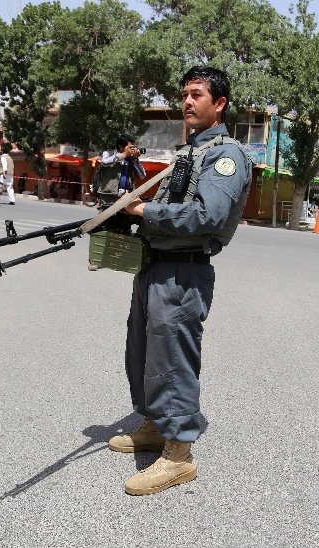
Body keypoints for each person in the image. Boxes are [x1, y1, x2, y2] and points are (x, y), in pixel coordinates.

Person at [109, 66, 252, 496]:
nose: (187, 102)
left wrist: (144, 212)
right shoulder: (190, 153)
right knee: (145, 351)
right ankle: (154, 423)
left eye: (196, 95)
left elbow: (207, 215)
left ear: (219, 103)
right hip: (156, 264)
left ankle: (178, 455)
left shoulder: (226, 157)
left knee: (173, 359)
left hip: (184, 270)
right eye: (184, 95)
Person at [88, 135, 146, 271]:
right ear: (121, 146)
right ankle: (95, 260)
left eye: (133, 147)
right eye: (130, 147)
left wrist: (135, 158)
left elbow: (142, 175)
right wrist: (123, 154)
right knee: (103, 227)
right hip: (108, 197)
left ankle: (116, 260)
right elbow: (105, 162)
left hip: (126, 197)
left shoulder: (131, 159)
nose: (133, 149)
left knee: (123, 228)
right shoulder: (109, 153)